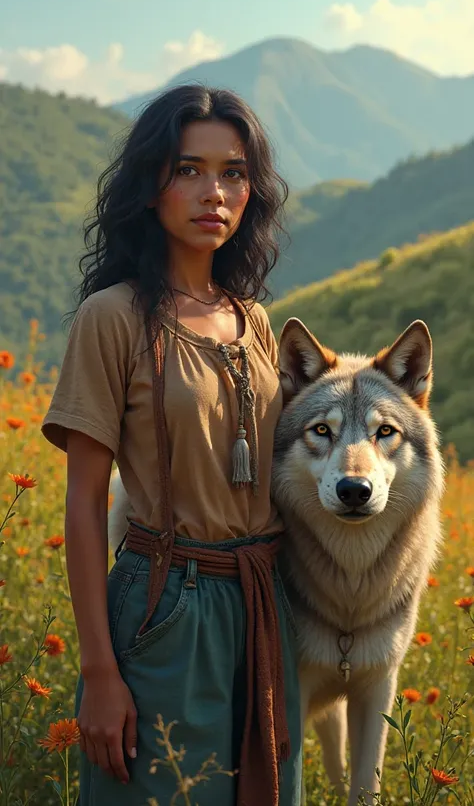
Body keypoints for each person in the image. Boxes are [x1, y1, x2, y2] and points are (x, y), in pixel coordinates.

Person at [41, 83, 302, 806]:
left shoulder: (252, 322)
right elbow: (85, 502)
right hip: (164, 603)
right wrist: (98, 672)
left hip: (260, 608)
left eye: (233, 172)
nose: (212, 191)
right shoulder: (112, 317)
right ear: (150, 183)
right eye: (188, 169)